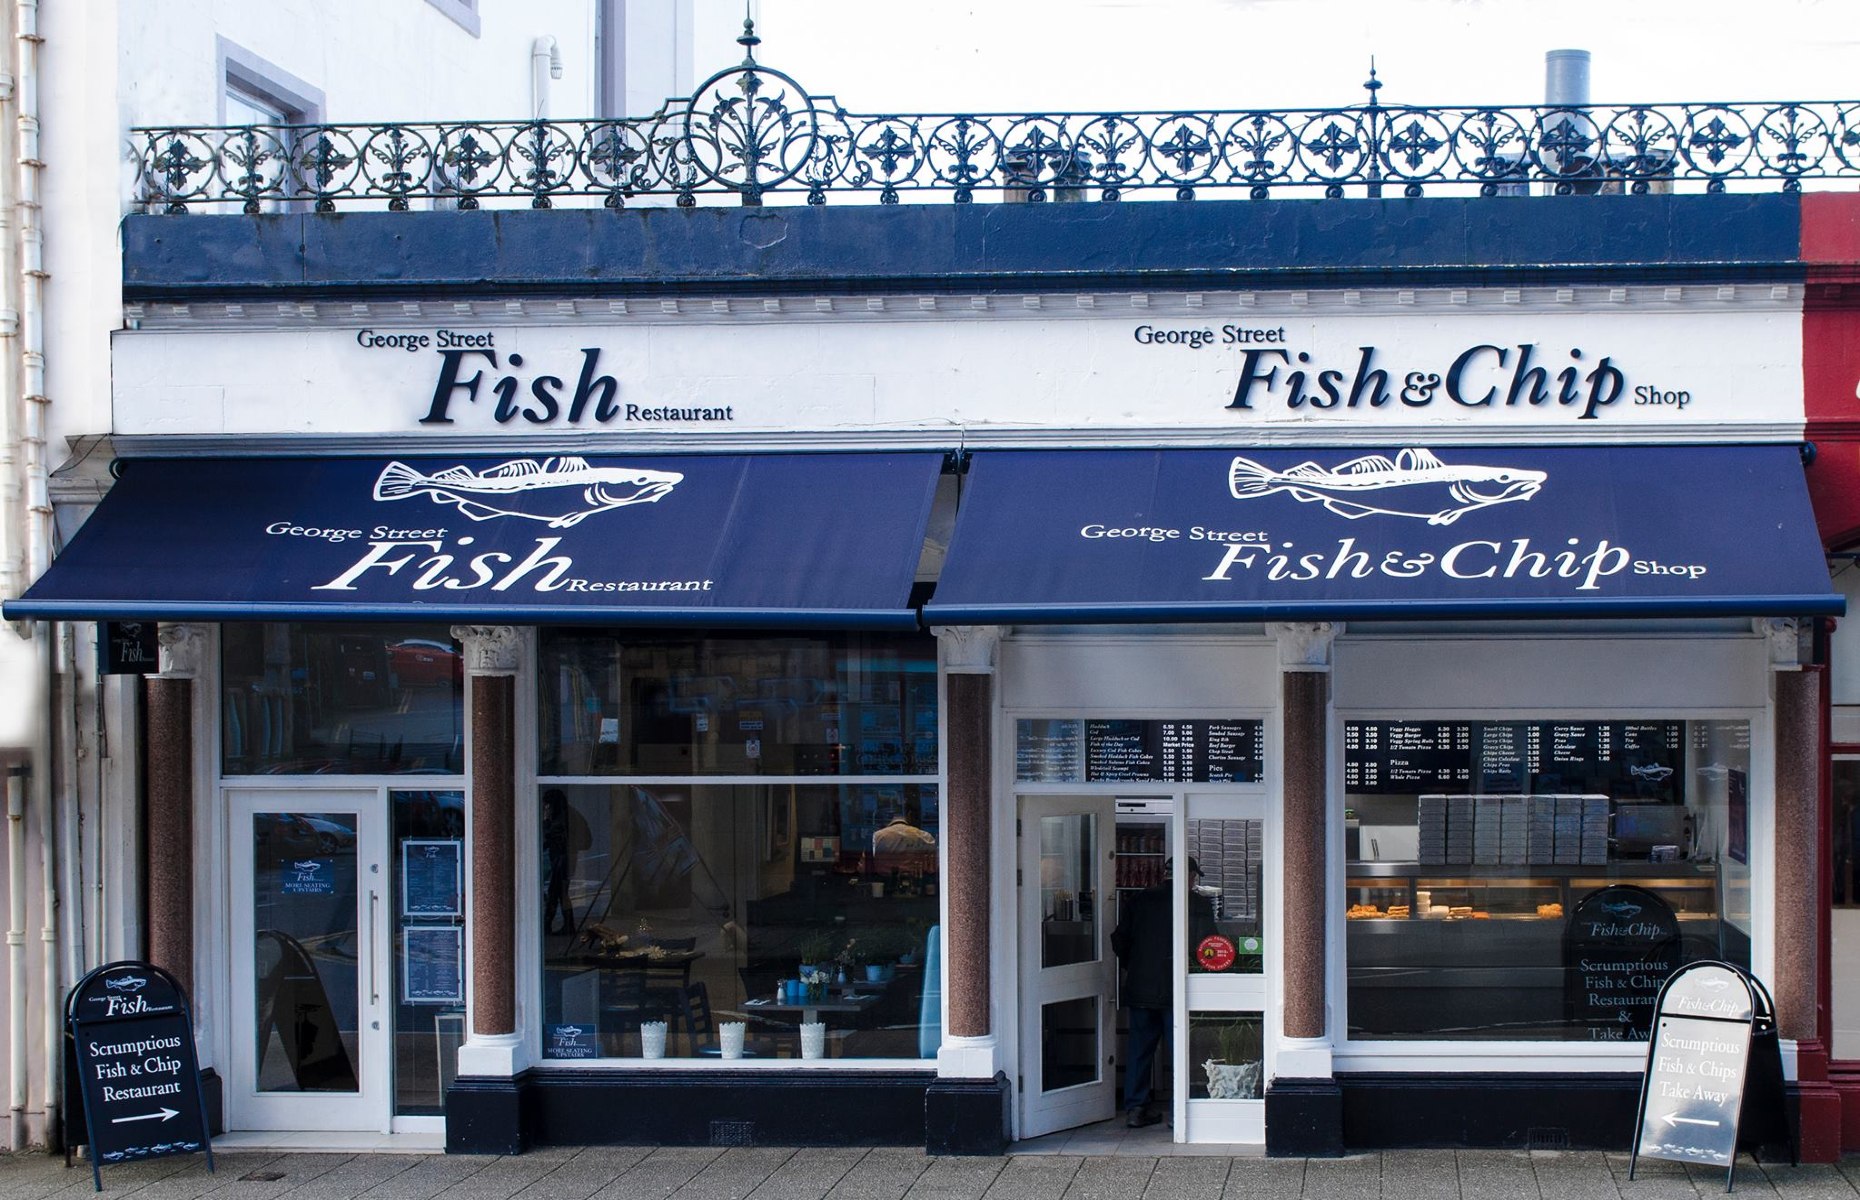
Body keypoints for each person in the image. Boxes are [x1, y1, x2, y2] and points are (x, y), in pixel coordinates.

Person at [1110, 856, 1217, 1128]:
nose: (1194, 882)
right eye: (1195, 876)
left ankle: (1135, 1109)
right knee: (1179, 1050)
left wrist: (1134, 965)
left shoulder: (1140, 900)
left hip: (1141, 988)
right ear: (1190, 875)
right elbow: (1208, 947)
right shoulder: (1198, 904)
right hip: (1177, 990)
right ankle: (1177, 1111)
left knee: (1139, 1051)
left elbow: (1119, 939)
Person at [541, 788, 591, 935]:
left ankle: (554, 925)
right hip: (563, 859)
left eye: (547, 805)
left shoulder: (561, 818)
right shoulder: (569, 814)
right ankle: (564, 925)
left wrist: (545, 822)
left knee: (556, 893)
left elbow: (550, 838)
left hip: (561, 860)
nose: (546, 808)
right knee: (560, 893)